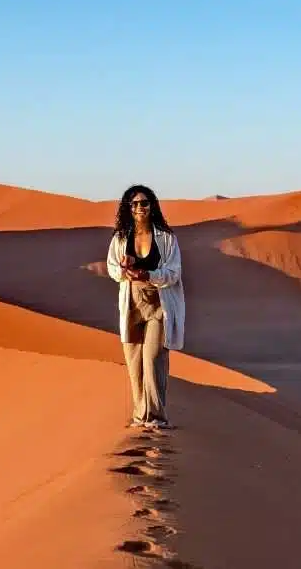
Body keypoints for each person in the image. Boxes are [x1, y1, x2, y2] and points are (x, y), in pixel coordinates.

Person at [106, 184, 185, 429]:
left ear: (152, 206)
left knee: (153, 358)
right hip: (131, 302)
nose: (140, 208)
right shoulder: (120, 238)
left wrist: (147, 274)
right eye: (135, 204)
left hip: (159, 303)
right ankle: (141, 416)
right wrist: (124, 267)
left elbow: (173, 273)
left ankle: (158, 417)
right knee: (135, 362)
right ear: (128, 208)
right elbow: (111, 269)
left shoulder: (166, 238)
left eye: (144, 203)